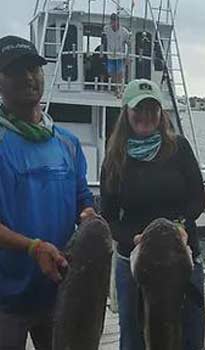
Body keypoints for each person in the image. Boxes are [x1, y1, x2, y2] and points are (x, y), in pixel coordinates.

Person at [0, 35, 95, 349]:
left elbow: (83, 196)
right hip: (5, 301)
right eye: (15, 71)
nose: (28, 77)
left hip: (59, 293)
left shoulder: (66, 142)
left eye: (34, 68)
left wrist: (89, 214)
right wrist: (32, 247)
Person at [100, 79, 205, 350]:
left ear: (161, 113)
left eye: (152, 109)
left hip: (182, 258)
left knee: (190, 334)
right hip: (136, 263)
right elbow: (109, 218)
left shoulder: (179, 148)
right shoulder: (114, 158)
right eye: (139, 109)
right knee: (134, 338)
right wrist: (133, 238)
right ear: (126, 112)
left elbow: (198, 197)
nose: (146, 116)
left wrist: (181, 224)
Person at [103, 13, 131, 96]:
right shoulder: (106, 29)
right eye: (112, 21)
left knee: (120, 72)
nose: (113, 23)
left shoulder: (124, 32)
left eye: (114, 21)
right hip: (110, 55)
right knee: (111, 72)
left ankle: (119, 89)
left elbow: (128, 44)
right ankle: (117, 87)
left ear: (118, 21)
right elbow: (104, 38)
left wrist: (127, 56)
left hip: (120, 55)